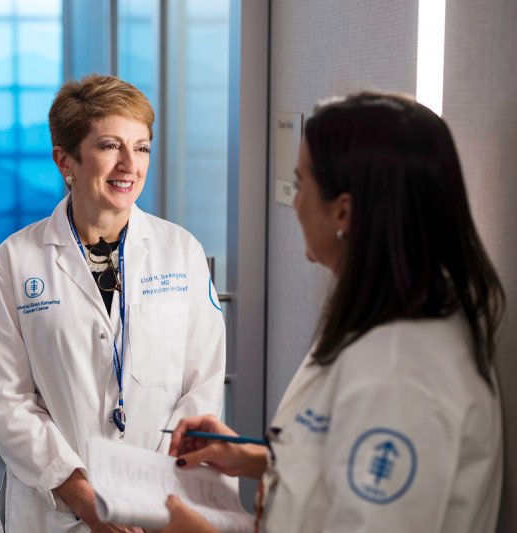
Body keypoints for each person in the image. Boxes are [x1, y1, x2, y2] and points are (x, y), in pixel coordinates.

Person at [161, 92, 505, 532]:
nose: (295, 201)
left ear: (344, 211)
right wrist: (255, 459)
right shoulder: (385, 316)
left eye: (300, 184)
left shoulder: (403, 373)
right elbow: (350, 466)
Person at [0, 74, 226, 532]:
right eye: (110, 145)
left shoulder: (181, 252)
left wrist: (147, 489)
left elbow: (203, 385)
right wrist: (85, 498)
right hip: (57, 507)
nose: (129, 165)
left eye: (142, 147)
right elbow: (8, 402)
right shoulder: (16, 260)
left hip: (161, 503)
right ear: (65, 160)